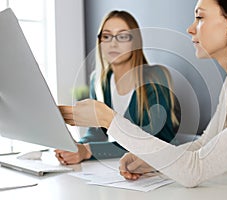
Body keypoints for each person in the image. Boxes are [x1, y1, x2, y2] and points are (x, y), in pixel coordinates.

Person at [58, 0, 227, 188]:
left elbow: (194, 169)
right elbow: (204, 146)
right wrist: (156, 161)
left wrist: (107, 119)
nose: (190, 28)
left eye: (200, 17)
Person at [55, 10, 179, 165]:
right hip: (120, 166)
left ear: (135, 42)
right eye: (106, 36)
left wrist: (88, 150)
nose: (113, 43)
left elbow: (148, 141)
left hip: (160, 169)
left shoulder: (155, 77)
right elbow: (96, 133)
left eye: (122, 36)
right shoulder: (99, 81)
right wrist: (76, 147)